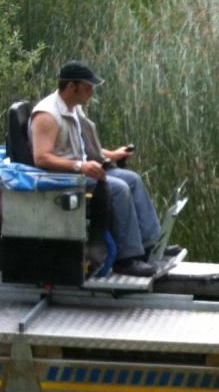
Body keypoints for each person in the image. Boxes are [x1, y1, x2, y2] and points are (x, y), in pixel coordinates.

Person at [30, 61, 177, 277]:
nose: (91, 92)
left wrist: (112, 155)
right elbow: (41, 158)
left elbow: (82, 147)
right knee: (118, 188)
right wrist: (81, 166)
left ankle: (150, 245)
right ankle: (127, 259)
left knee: (132, 179)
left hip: (82, 169)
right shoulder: (47, 115)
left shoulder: (73, 108)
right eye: (88, 87)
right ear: (72, 87)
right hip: (62, 176)